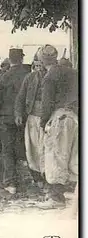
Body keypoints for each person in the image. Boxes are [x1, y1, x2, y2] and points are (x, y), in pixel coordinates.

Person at [37, 45, 78, 209]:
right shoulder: (73, 72)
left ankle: (56, 198)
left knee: (56, 156)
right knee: (74, 156)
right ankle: (76, 196)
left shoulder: (49, 77)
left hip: (60, 119)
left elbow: (46, 104)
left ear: (41, 59)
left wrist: (43, 123)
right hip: (75, 117)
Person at [0, 48, 30, 195]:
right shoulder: (29, 75)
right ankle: (35, 179)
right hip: (24, 118)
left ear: (9, 59)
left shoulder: (4, 77)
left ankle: (11, 183)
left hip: (6, 119)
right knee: (25, 148)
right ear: (21, 59)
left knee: (7, 151)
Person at [14, 54, 47, 189]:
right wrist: (18, 113)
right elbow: (20, 97)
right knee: (32, 149)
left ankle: (48, 177)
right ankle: (37, 177)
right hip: (32, 118)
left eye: (41, 66)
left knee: (46, 148)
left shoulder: (52, 78)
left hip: (47, 119)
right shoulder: (29, 78)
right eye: (36, 66)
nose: (39, 69)